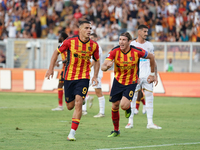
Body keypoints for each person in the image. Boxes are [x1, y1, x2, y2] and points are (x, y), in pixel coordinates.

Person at [45, 20, 100, 141]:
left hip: (83, 78)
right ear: (80, 29)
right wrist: (50, 69)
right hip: (69, 77)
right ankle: (83, 99)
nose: (89, 30)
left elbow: (97, 60)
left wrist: (95, 76)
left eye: (90, 28)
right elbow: (56, 52)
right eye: (86, 28)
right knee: (70, 106)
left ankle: (72, 133)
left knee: (78, 102)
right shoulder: (70, 41)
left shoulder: (94, 45)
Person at [101, 32, 156, 137]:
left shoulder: (137, 51)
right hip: (118, 81)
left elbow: (151, 57)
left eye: (124, 40)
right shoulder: (114, 51)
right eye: (120, 39)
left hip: (131, 82)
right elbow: (103, 66)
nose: (121, 42)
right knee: (114, 105)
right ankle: (116, 130)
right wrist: (107, 67)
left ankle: (128, 108)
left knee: (123, 105)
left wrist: (152, 74)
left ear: (129, 42)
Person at [125, 25, 162, 130]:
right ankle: (130, 122)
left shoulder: (149, 45)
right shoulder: (132, 44)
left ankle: (150, 123)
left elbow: (153, 60)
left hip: (148, 75)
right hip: (135, 76)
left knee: (150, 98)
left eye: (147, 31)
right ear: (139, 32)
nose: (146, 33)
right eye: (145, 31)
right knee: (132, 98)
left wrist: (155, 75)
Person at [82, 33, 106, 117]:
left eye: (92, 38)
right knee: (83, 90)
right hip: (89, 73)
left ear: (96, 38)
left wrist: (86, 67)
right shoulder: (90, 46)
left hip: (96, 73)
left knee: (98, 92)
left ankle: (102, 112)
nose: (90, 39)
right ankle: (83, 110)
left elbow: (94, 61)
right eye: (90, 37)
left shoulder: (97, 47)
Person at [51, 32, 68, 111]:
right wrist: (59, 61)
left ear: (62, 37)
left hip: (67, 70)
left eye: (60, 36)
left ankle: (86, 97)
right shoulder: (63, 45)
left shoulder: (66, 45)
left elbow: (68, 59)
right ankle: (60, 106)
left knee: (63, 86)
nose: (58, 37)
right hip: (64, 69)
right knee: (61, 86)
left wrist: (60, 62)